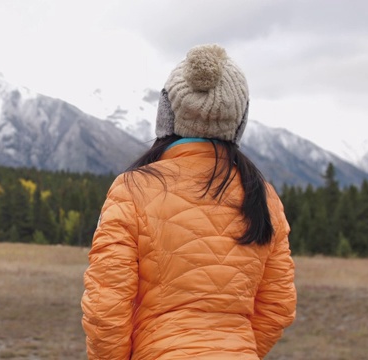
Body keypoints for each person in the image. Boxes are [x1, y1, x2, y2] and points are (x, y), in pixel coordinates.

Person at [81, 44, 297, 359]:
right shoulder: (263, 196)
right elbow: (277, 306)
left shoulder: (131, 189)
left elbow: (106, 306)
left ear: (166, 113)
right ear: (240, 119)